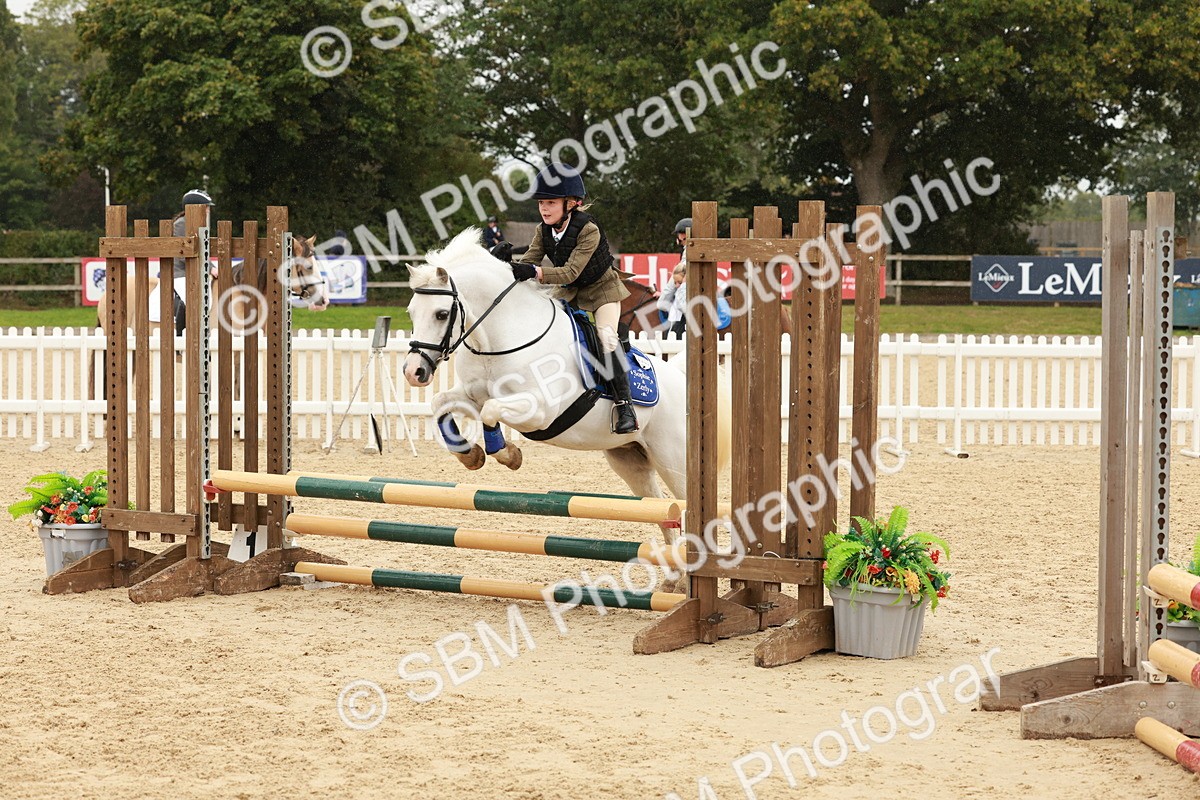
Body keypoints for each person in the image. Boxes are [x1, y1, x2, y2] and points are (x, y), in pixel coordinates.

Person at [511, 163, 637, 434]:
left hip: (602, 290)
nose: (544, 208)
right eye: (542, 202)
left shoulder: (588, 229)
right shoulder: (542, 230)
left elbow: (570, 271)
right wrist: (504, 264)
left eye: (551, 203)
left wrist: (533, 271)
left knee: (606, 337)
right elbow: (528, 262)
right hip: (570, 291)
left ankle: (625, 406)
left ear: (571, 203)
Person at [657, 261, 688, 337]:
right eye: (675, 282)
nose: (677, 286)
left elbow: (683, 307)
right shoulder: (679, 292)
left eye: (679, 282)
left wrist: (683, 285)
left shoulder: (685, 291)